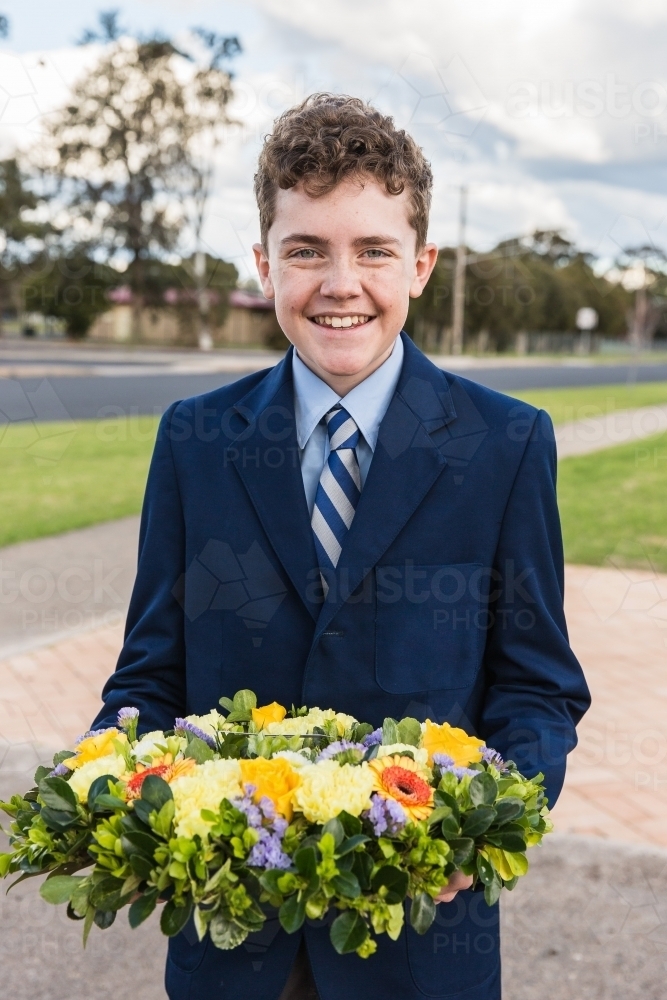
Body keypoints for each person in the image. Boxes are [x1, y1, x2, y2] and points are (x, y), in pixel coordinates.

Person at [92, 94, 590, 1000]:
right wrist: (114, 786)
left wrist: (479, 827)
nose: (339, 281)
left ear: (420, 265)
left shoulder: (506, 443)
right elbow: (148, 677)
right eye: (306, 250)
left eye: (372, 250)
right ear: (264, 263)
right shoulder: (194, 438)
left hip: (417, 945)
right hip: (232, 947)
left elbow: (537, 685)